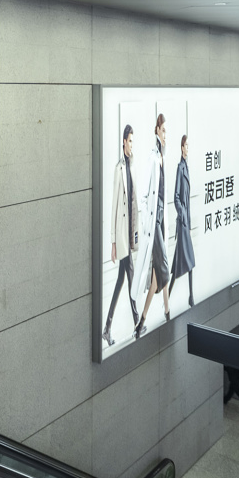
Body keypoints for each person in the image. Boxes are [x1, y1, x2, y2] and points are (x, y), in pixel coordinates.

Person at [132, 113, 171, 339]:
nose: (166, 135)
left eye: (167, 131)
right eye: (163, 130)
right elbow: (145, 195)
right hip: (153, 224)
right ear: (156, 131)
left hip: (161, 221)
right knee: (163, 265)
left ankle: (143, 321)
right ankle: (165, 311)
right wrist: (148, 222)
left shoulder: (163, 157)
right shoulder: (152, 158)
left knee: (159, 270)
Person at [103, 124, 139, 346]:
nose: (132, 144)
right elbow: (115, 206)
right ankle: (138, 320)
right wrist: (114, 242)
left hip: (129, 232)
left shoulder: (132, 165)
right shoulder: (119, 169)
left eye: (134, 141)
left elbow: (134, 202)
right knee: (131, 274)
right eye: (130, 141)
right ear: (123, 142)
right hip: (121, 235)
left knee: (120, 281)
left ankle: (107, 327)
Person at [170, 134, 197, 307]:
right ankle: (187, 297)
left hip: (185, 223)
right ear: (181, 148)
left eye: (188, 145)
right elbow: (176, 197)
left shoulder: (185, 167)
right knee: (188, 261)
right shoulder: (180, 168)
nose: (188, 148)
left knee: (185, 261)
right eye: (186, 145)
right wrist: (183, 215)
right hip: (182, 223)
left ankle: (189, 296)